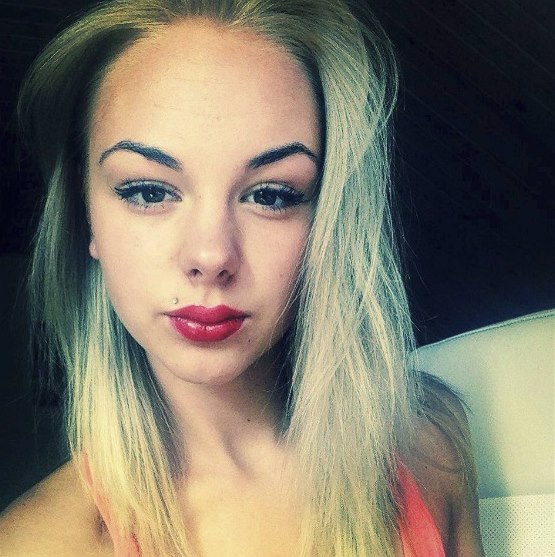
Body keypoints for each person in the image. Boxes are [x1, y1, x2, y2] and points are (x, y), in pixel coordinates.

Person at [0, 0, 484, 555]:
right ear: (85, 216)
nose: (211, 255)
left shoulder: (430, 446)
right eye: (149, 191)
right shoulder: (36, 544)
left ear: (330, 219)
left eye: (271, 195)